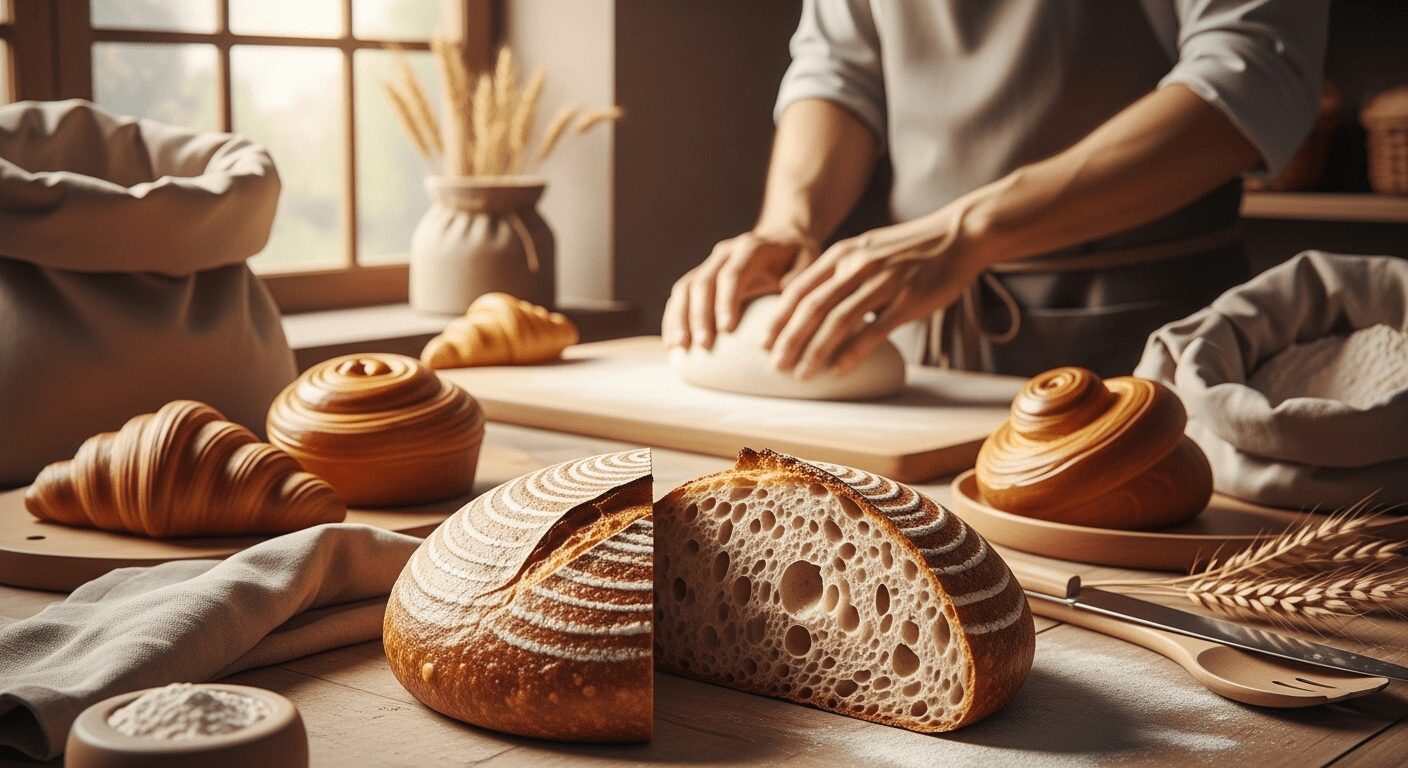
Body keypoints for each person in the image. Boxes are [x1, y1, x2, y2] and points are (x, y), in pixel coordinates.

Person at [663, 1, 1328, 379]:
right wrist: (790, 224)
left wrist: (967, 233)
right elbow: (838, 66)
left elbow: (1251, 76)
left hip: (1148, 349)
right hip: (919, 347)